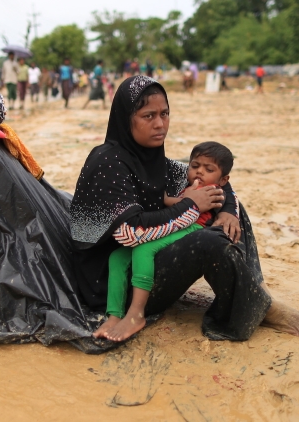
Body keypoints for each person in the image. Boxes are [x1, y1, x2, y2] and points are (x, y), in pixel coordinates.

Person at [70, 76, 299, 342]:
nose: (160, 124)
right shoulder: (108, 163)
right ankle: (260, 307)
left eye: (164, 114)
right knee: (208, 242)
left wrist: (227, 210)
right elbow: (130, 233)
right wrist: (192, 204)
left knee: (228, 210)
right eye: (148, 116)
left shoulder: (154, 159)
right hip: (114, 284)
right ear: (126, 119)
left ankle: (257, 293)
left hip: (144, 262)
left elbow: (211, 181)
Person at [95, 141, 235, 341]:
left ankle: (136, 313)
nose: (200, 172)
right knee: (117, 256)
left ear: (223, 180)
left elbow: (192, 205)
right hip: (176, 226)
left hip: (194, 229)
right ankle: (114, 314)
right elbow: (182, 203)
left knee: (142, 250)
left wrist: (174, 199)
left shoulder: (212, 189)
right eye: (195, 166)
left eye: (209, 169)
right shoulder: (188, 185)